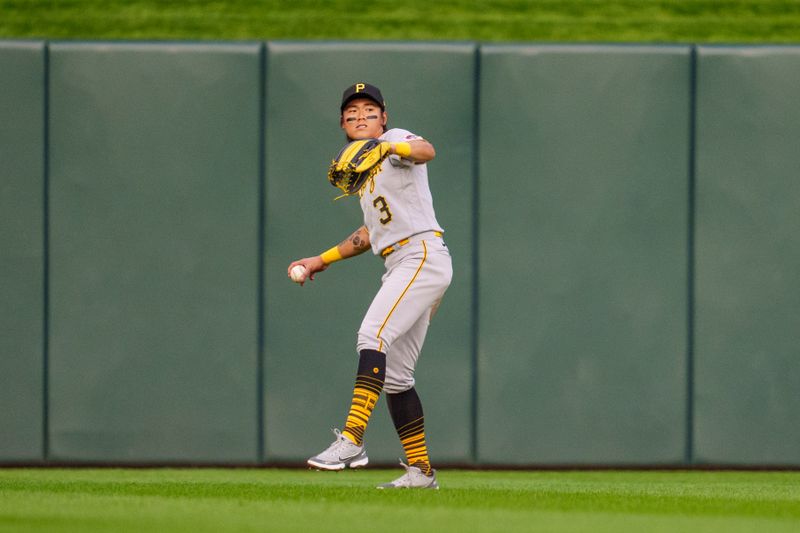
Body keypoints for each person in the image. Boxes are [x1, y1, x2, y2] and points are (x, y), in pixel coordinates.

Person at [287, 82, 452, 489]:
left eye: (370, 109)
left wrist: (389, 146)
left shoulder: (394, 142)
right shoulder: (364, 174)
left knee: (371, 334)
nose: (361, 116)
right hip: (401, 261)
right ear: (343, 123)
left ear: (384, 117)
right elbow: (368, 234)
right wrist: (320, 260)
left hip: (421, 256)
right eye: (352, 112)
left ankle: (352, 440)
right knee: (397, 376)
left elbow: (427, 150)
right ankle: (421, 472)